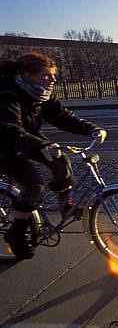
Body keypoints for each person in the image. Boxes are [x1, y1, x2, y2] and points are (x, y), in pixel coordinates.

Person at [0, 53, 107, 260]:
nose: (53, 80)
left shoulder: (40, 94)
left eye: (53, 76)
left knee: (60, 159)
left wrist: (92, 130)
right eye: (47, 75)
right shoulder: (6, 93)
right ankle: (17, 234)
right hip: (4, 145)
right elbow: (8, 127)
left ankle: (65, 204)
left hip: (28, 138)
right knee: (33, 186)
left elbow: (62, 116)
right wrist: (39, 144)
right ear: (28, 75)